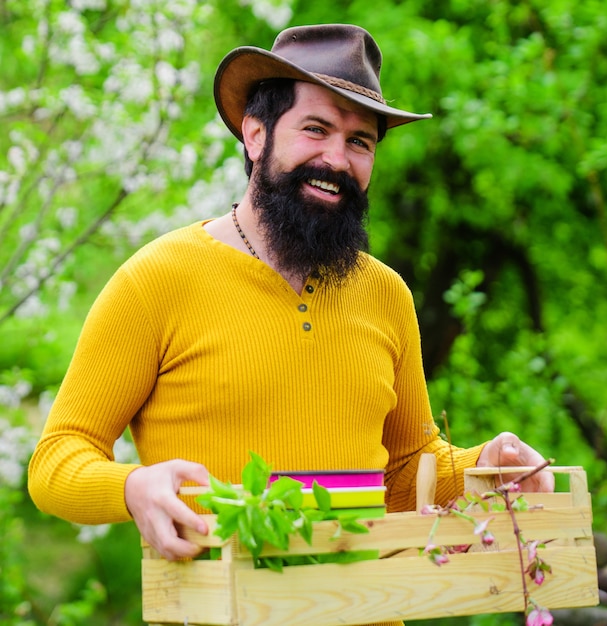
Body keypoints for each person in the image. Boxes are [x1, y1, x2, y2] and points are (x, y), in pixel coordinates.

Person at [28, 23, 553, 605]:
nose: (337, 158)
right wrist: (132, 486)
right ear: (255, 135)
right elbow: (57, 461)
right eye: (316, 129)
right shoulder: (157, 279)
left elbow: (407, 471)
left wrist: (488, 466)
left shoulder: (386, 294)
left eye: (360, 142)